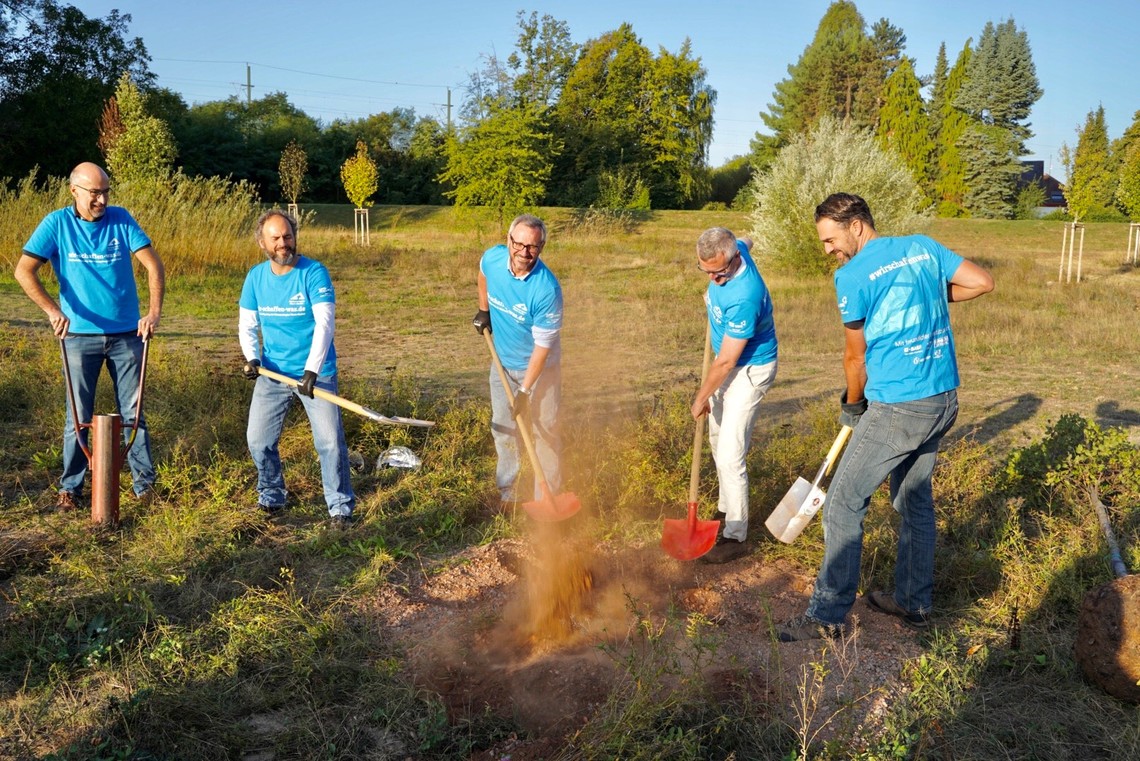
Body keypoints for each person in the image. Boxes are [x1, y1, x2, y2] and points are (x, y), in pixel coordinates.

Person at [778, 193, 994, 642]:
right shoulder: (922, 246)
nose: (827, 250)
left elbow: (855, 360)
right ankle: (913, 602)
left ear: (857, 226)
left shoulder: (852, 276)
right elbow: (981, 282)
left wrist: (853, 404)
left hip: (899, 406)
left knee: (842, 502)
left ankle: (827, 615)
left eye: (830, 239)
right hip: (942, 399)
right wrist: (927, 297)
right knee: (913, 501)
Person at [15, 162, 164, 512]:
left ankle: (145, 487)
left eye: (106, 192)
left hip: (128, 335)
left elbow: (153, 265)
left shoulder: (121, 219)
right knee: (78, 415)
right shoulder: (56, 224)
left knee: (133, 413)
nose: (101, 199)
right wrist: (53, 311)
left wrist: (153, 313)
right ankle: (71, 488)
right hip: (79, 337)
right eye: (95, 192)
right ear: (74, 191)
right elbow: (24, 270)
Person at [239, 210, 355, 528]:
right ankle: (272, 497)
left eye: (287, 236)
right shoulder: (255, 278)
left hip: (316, 373)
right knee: (258, 441)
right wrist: (253, 359)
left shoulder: (314, 272)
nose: (283, 243)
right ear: (262, 242)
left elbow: (325, 323)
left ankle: (340, 508)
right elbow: (247, 325)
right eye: (275, 238)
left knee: (329, 442)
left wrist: (312, 370)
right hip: (273, 373)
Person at [690, 228, 779, 564]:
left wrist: (701, 396)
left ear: (734, 259)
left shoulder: (745, 295)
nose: (714, 278)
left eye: (719, 272)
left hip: (748, 370)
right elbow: (748, 238)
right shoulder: (735, 248)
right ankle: (726, 507)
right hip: (726, 366)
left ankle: (735, 535)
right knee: (716, 439)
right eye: (706, 271)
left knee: (730, 453)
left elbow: (727, 360)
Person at [472, 214, 564, 507]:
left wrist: (524, 390)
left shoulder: (546, 289)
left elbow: (543, 347)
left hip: (540, 371)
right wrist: (483, 310)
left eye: (532, 247)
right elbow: (483, 274)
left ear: (541, 247)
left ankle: (545, 500)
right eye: (518, 244)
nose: (524, 253)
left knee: (544, 433)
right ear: (508, 241)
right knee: (503, 428)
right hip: (501, 363)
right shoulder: (493, 259)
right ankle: (508, 494)